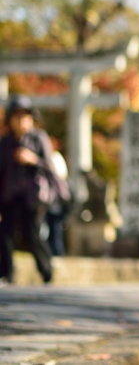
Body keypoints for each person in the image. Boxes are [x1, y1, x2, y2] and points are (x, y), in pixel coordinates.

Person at [0, 96, 61, 284]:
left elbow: (51, 166)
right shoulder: (5, 142)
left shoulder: (38, 138)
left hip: (32, 195)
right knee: (5, 233)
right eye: (17, 116)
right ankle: (7, 274)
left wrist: (32, 159)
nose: (21, 121)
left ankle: (46, 271)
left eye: (25, 116)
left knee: (32, 233)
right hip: (9, 194)